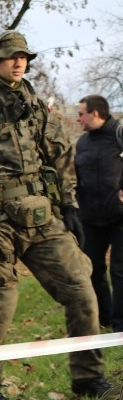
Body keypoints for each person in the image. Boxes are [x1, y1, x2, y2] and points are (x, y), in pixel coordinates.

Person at [0, 30, 111, 400]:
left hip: (42, 216)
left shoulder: (36, 105)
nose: (20, 63)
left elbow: (61, 155)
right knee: (0, 302)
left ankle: (87, 376)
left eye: (24, 57)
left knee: (82, 291)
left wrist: (69, 206)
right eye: (12, 57)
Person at [75, 94, 123, 331]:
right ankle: (103, 319)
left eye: (81, 113)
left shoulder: (119, 135)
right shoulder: (82, 143)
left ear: (95, 113)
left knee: (120, 270)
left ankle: (120, 325)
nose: (78, 118)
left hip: (119, 216)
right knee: (92, 270)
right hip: (90, 218)